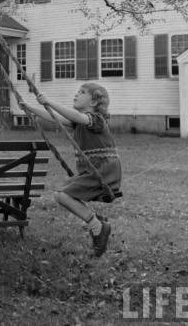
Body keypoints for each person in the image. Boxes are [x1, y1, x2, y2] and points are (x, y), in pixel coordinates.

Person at [18, 82, 121, 257]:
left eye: (82, 93)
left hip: (103, 170)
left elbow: (77, 117)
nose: (76, 95)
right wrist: (31, 108)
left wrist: (49, 102)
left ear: (94, 102)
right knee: (60, 194)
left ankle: (98, 227)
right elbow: (56, 119)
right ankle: (97, 222)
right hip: (93, 170)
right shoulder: (80, 122)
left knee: (63, 195)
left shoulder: (95, 119)